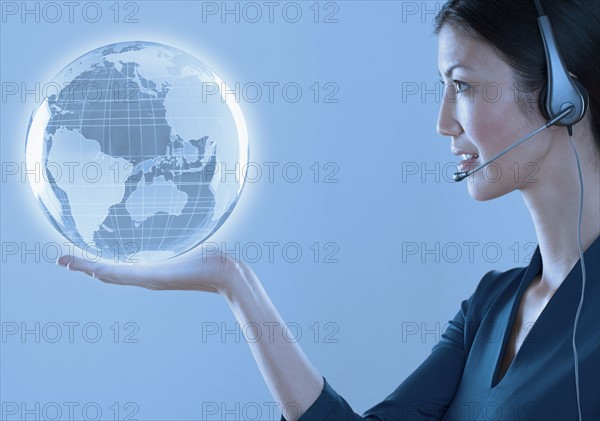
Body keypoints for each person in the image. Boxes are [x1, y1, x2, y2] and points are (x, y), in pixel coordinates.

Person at [58, 0, 600, 420]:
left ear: (561, 95)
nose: (443, 122)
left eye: (462, 86)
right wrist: (234, 283)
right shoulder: (489, 306)